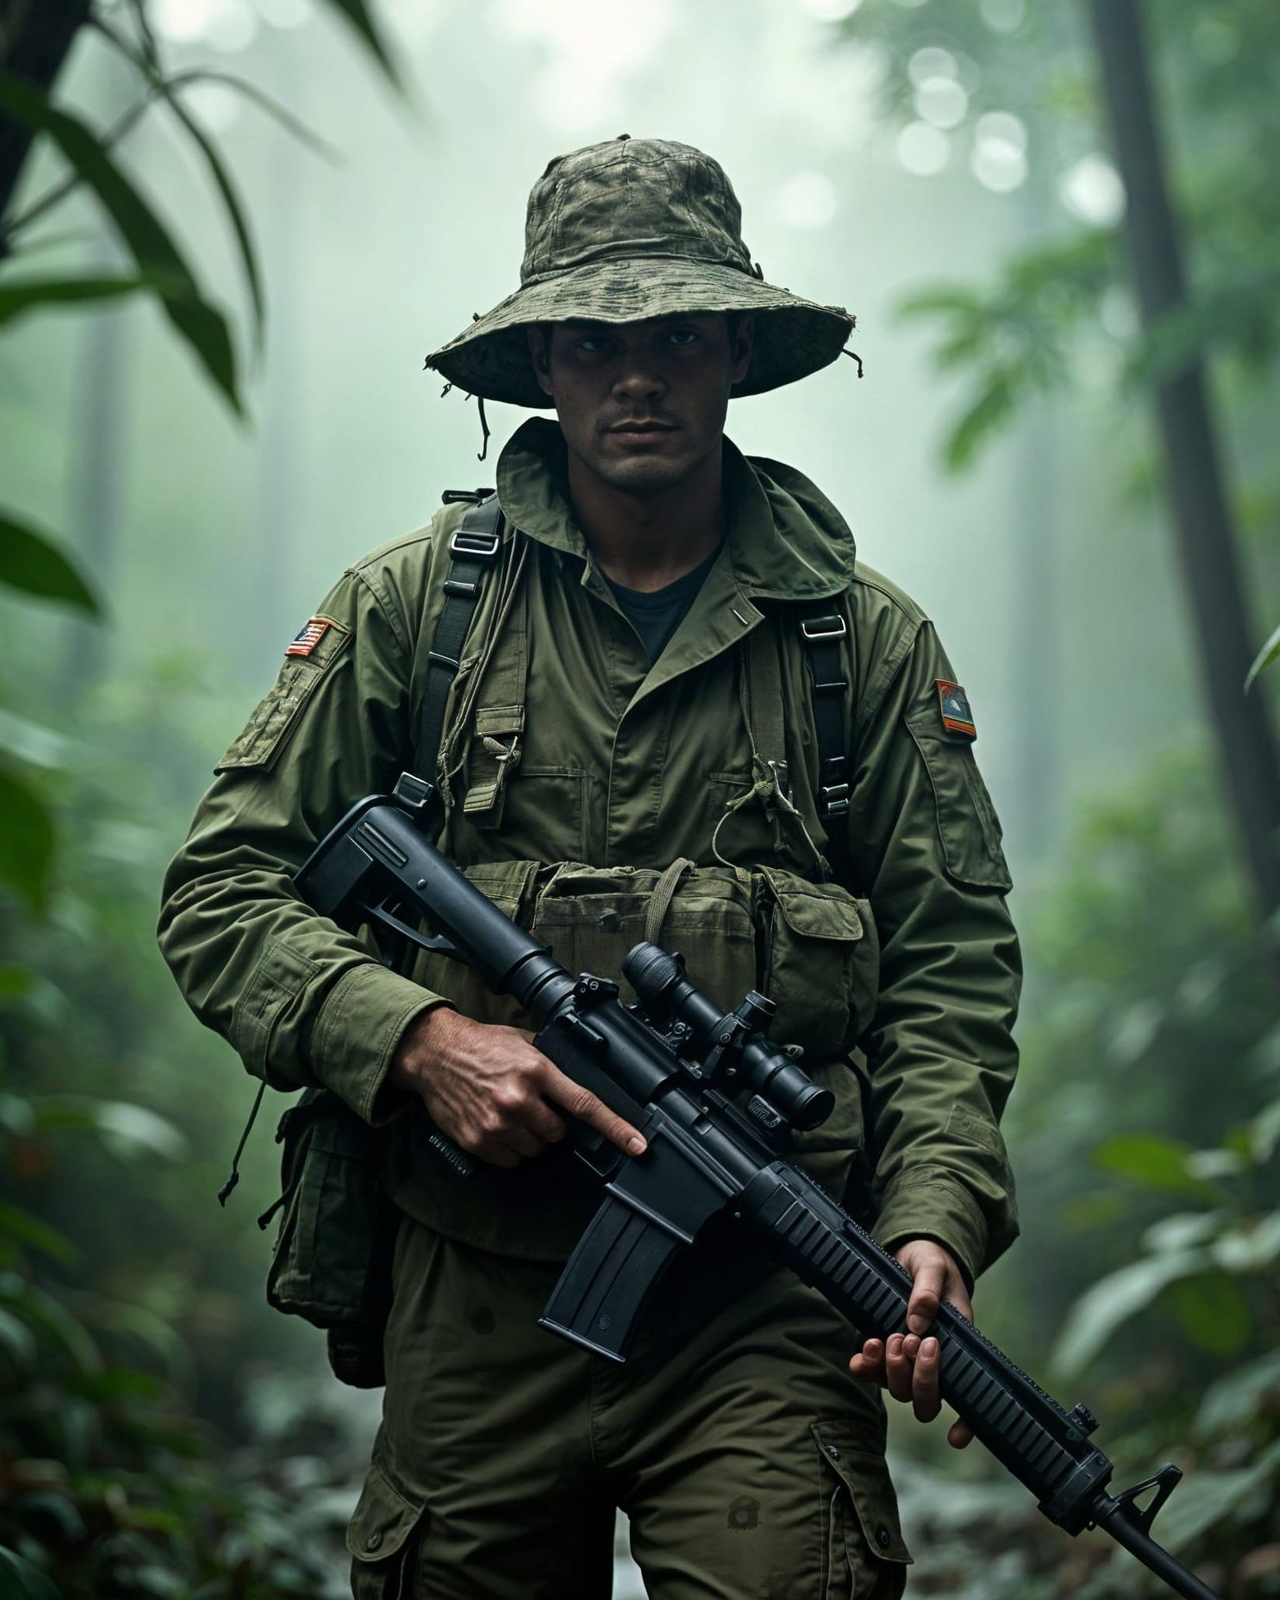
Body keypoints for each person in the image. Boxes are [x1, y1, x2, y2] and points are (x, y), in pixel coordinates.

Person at [158, 135, 1021, 1600]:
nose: (638, 375)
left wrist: (932, 1212)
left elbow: (949, 967)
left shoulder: (860, 644)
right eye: (596, 337)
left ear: (734, 352)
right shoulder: (416, 609)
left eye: (677, 335)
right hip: (473, 1298)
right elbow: (220, 892)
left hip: (766, 1302)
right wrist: (419, 1039)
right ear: (541, 363)